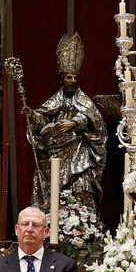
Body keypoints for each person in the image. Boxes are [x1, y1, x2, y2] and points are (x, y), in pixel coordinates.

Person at [30, 33, 107, 209]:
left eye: (74, 77)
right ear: (62, 79)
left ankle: (84, 222)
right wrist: (32, 115)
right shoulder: (56, 99)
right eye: (68, 77)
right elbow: (42, 116)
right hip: (55, 150)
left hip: (78, 149)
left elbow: (96, 120)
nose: (72, 80)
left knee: (81, 184)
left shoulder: (83, 99)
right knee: (54, 187)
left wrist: (76, 122)